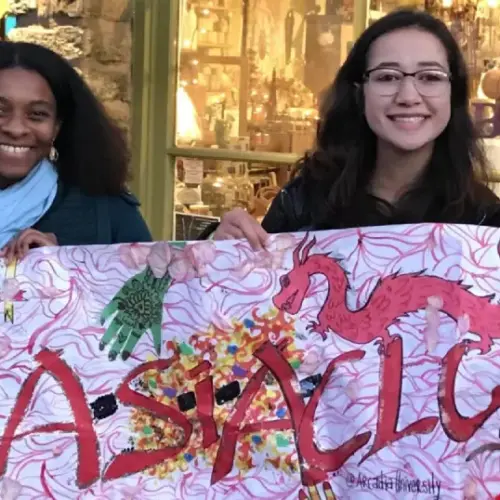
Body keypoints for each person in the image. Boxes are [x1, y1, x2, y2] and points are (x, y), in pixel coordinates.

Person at [210, 8, 500, 249]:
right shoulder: (304, 202)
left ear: (454, 92)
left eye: (430, 77)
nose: (408, 96)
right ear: (359, 93)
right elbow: (256, 306)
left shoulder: (484, 220)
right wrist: (222, 254)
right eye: (387, 77)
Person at [0, 41, 151, 262]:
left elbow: (155, 294)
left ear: (57, 126)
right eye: (0, 111)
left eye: (37, 114)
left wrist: (66, 273)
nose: (16, 128)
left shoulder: (108, 213)